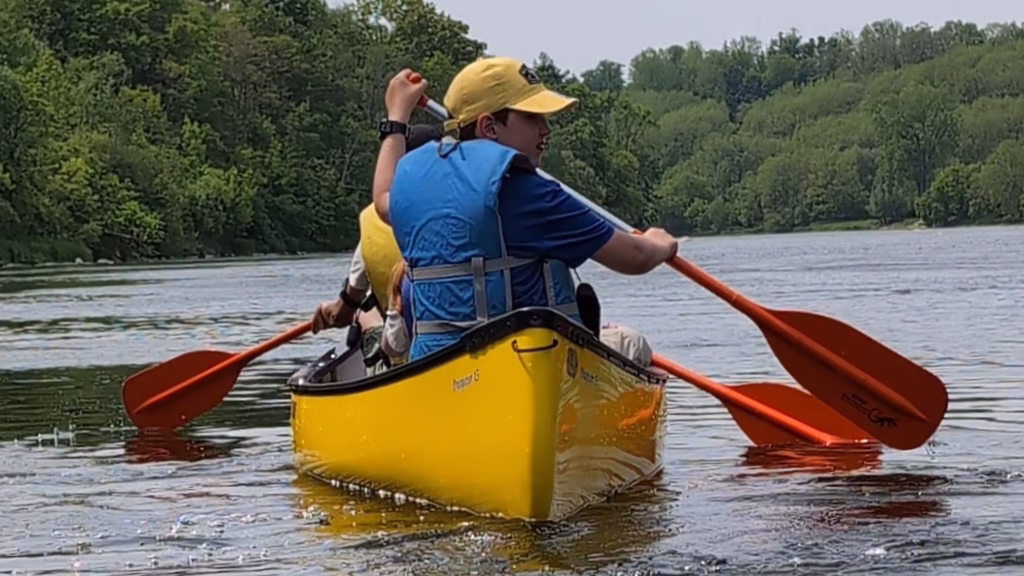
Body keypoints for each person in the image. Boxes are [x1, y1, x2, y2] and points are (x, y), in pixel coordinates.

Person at [372, 57, 679, 363]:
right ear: (489, 126)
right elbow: (635, 258)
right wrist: (659, 244)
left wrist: (396, 119)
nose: (545, 129)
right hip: (526, 365)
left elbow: (383, 199)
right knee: (634, 349)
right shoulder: (529, 194)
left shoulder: (415, 186)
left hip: (438, 369)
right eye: (532, 117)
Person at [311, 123, 441, 371]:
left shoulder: (374, 222)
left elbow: (342, 314)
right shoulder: (464, 212)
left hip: (402, 362)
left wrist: (334, 312)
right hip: (454, 351)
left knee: (364, 314)